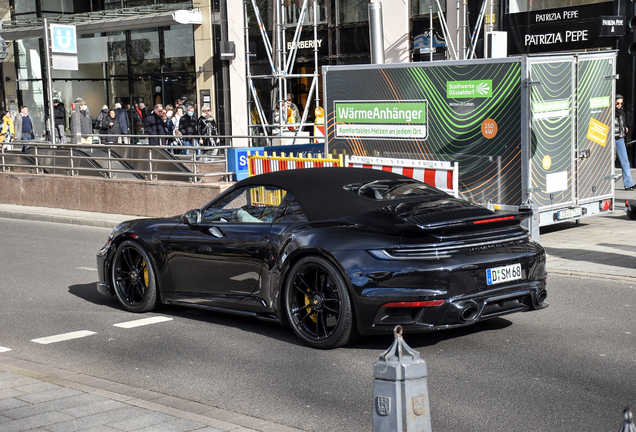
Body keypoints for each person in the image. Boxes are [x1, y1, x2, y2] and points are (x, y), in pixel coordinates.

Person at [615, 94, 636, 191]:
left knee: (625, 161)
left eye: (621, 103)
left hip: (620, 138)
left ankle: (629, 184)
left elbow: (622, 123)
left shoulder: (621, 112)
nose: (619, 105)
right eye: (617, 103)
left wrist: (624, 128)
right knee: (606, 162)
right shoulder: (610, 112)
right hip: (611, 138)